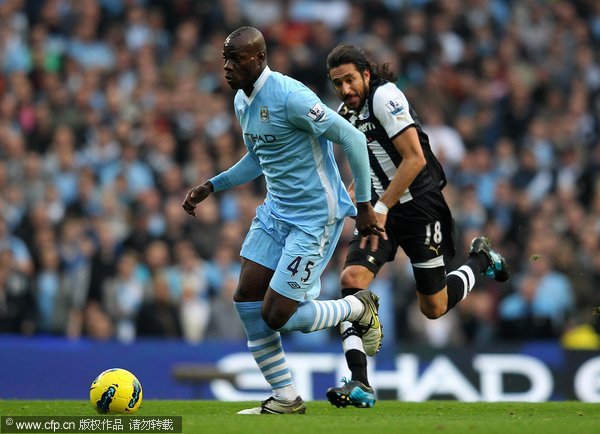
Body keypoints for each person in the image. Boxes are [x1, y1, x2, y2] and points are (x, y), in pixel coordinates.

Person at [182, 27, 385, 415]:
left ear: (258, 58)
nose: (226, 67)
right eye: (224, 58)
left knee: (278, 316)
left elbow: (353, 140)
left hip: (314, 219)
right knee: (246, 299)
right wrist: (213, 185)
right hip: (276, 212)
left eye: (235, 59)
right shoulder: (243, 100)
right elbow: (260, 158)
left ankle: (357, 308)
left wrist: (363, 205)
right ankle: (286, 398)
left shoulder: (292, 97)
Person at [324, 44, 510, 408]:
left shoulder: (386, 97)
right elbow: (370, 164)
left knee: (434, 307)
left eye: (349, 79)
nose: (345, 89)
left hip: (420, 208)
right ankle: (360, 382)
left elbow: (414, 159)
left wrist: (380, 205)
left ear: (365, 73)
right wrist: (352, 197)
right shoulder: (346, 112)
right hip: (382, 211)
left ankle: (480, 262)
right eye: (336, 83)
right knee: (350, 281)